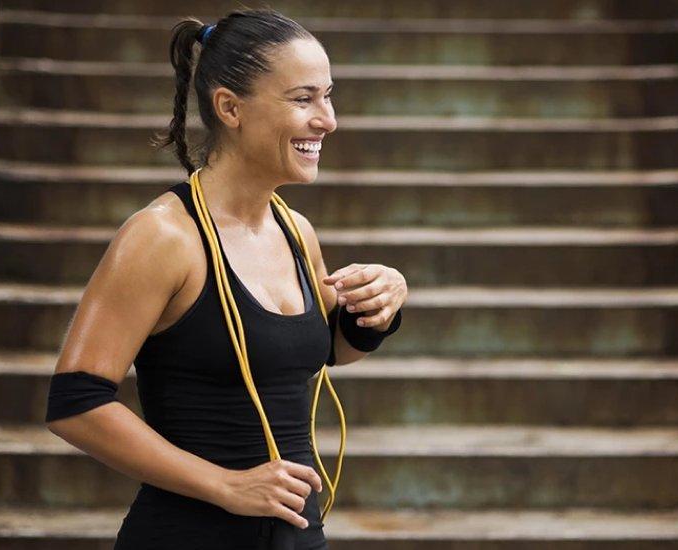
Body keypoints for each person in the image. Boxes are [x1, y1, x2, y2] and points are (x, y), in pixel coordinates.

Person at [43, 9, 407, 550]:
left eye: (329, 97)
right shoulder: (163, 237)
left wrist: (381, 304)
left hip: (298, 534)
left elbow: (324, 350)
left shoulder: (294, 228)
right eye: (303, 99)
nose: (328, 119)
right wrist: (225, 485)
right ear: (230, 108)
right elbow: (77, 403)